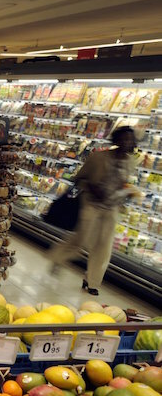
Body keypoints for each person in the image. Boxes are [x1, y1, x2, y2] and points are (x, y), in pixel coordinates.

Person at [48, 126, 139, 296]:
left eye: (130, 139)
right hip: (91, 204)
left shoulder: (130, 162)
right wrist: (93, 188)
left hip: (112, 208)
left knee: (104, 247)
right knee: (81, 240)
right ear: (116, 140)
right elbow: (80, 178)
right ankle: (58, 258)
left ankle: (92, 281)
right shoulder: (98, 157)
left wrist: (128, 192)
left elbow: (123, 182)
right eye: (123, 139)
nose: (127, 142)